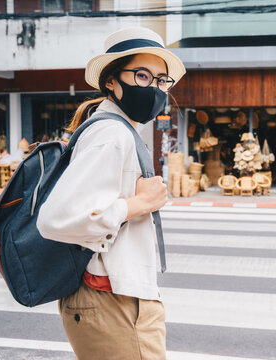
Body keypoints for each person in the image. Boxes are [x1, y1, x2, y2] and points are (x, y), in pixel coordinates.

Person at [36, 27, 186, 360]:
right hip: (111, 298)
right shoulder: (111, 135)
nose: (155, 88)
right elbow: (55, 219)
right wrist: (136, 204)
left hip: (116, 296)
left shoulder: (116, 130)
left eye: (162, 80)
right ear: (111, 81)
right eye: (143, 75)